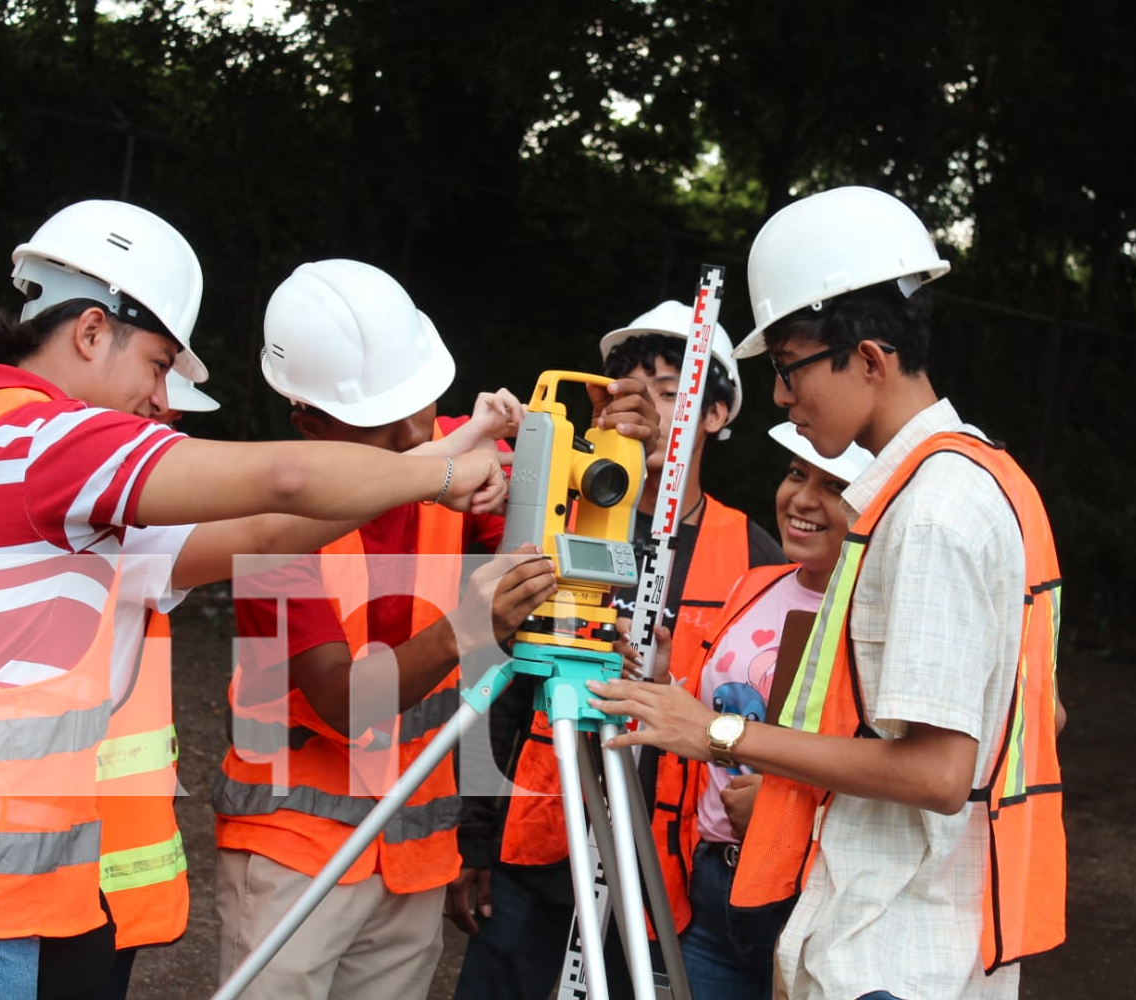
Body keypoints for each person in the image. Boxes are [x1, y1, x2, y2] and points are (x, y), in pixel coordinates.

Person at [0, 199, 508, 1000]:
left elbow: (269, 531)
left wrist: (443, 453)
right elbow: (284, 481)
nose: (158, 399)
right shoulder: (55, 443)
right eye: (156, 363)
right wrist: (442, 475)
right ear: (91, 332)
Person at [588, 186, 1067, 1000]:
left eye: (787, 369)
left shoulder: (932, 512)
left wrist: (718, 732)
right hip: (900, 936)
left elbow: (938, 773)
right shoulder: (966, 480)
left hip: (894, 951)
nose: (778, 397)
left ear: (870, 359)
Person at [211, 259, 660, 1000]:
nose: (421, 430)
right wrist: (468, 628)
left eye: (423, 403)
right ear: (310, 422)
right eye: (389, 422)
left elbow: (557, 534)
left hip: (412, 856)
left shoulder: (452, 451)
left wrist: (610, 454)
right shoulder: (272, 520)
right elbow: (341, 701)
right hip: (295, 856)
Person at [447, 301, 785, 999]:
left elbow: (765, 717)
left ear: (717, 415)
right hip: (535, 855)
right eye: (631, 393)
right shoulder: (552, 520)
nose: (650, 414)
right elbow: (496, 683)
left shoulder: (756, 559)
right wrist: (476, 838)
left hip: (661, 877)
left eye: (672, 393)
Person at [631, 421, 872, 1000]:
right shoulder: (757, 583)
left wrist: (791, 816)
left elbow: (907, 765)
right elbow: (715, 715)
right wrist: (664, 681)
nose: (803, 499)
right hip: (711, 883)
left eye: (834, 487)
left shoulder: (876, 613)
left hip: (807, 895)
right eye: (796, 475)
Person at [89, 372, 223, 1000]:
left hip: (93, 885)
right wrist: (435, 470)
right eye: (164, 428)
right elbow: (272, 524)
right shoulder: (121, 536)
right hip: (72, 890)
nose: (173, 437)